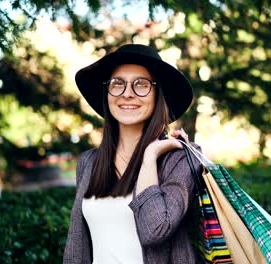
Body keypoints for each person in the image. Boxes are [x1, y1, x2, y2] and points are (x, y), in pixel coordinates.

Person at [63, 44, 201, 264]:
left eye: (141, 84)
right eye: (117, 84)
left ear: (157, 94)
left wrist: (149, 158)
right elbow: (77, 246)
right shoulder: (89, 162)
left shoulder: (179, 158)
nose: (127, 93)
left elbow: (155, 229)